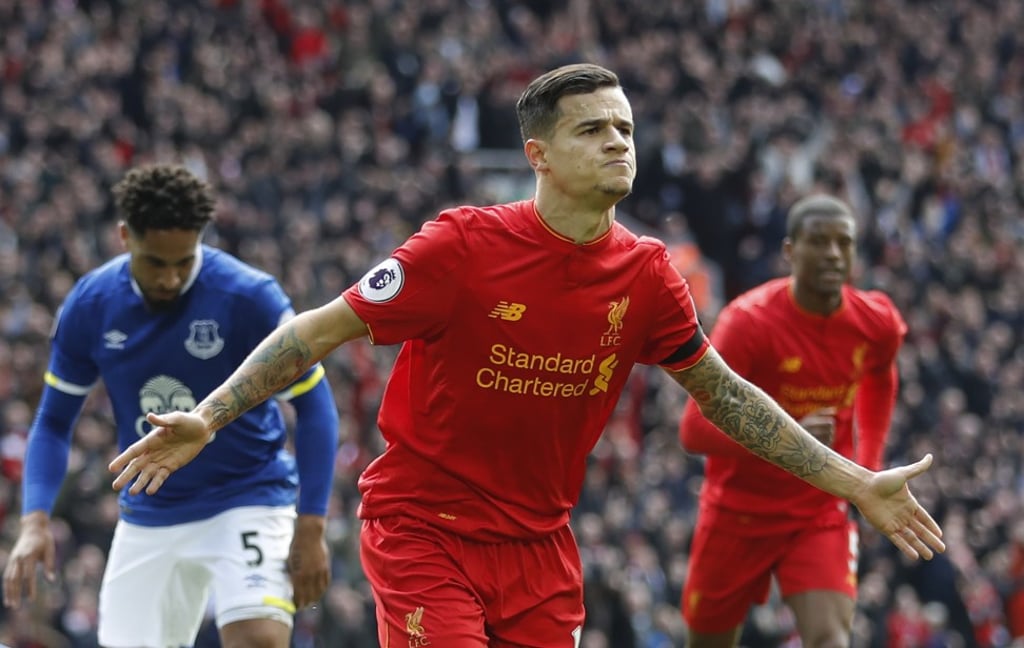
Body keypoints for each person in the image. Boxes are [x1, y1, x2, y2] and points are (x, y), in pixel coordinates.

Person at [107, 64, 944, 647]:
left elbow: (725, 396)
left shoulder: (649, 274)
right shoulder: (462, 246)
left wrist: (854, 481)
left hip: (541, 547)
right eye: (593, 129)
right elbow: (316, 331)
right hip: (425, 529)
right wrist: (210, 415)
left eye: (625, 128)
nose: (618, 142)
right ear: (537, 155)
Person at [2, 165, 340, 648]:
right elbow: (54, 422)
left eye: (184, 261)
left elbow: (314, 406)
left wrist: (311, 523)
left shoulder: (249, 297)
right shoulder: (91, 304)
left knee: (259, 639)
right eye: (155, 262)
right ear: (125, 237)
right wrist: (35, 520)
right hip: (151, 512)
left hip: (247, 497)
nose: (170, 277)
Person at [678, 194, 906, 647]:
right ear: (789, 251)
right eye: (819, 242)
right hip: (739, 512)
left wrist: (869, 464)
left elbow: (882, 374)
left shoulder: (876, 321)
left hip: (818, 507)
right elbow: (693, 431)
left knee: (831, 639)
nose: (833, 254)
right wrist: (786, 435)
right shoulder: (748, 322)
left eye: (844, 243)